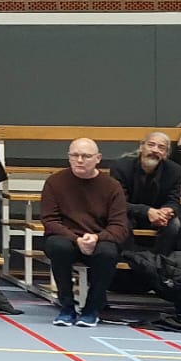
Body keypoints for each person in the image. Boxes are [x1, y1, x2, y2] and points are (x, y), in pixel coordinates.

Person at [39, 139, 129, 327]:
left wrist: (96, 237)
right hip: (67, 238)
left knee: (108, 252)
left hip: (98, 239)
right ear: (68, 157)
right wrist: (76, 239)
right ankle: (67, 307)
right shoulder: (55, 182)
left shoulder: (112, 186)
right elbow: (49, 221)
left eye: (86, 156)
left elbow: (119, 226)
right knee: (58, 247)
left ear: (98, 158)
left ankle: (92, 309)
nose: (79, 160)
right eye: (75, 155)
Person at [110, 131, 181, 248]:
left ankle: (161, 257)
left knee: (174, 224)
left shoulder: (174, 170)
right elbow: (118, 203)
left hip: (158, 216)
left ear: (166, 154)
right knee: (121, 222)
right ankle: (129, 256)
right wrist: (147, 211)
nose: (155, 150)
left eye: (161, 148)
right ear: (141, 147)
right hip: (129, 213)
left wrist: (167, 210)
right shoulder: (121, 167)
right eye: (151, 145)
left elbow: (173, 200)